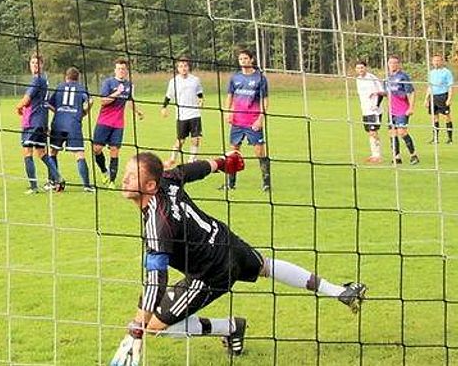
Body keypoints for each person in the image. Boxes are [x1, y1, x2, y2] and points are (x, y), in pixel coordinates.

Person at [108, 151, 367, 365]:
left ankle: (230, 327)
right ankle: (339, 291)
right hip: (226, 242)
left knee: (153, 326)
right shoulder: (168, 179)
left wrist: (137, 326)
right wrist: (222, 162)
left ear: (151, 185)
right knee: (265, 266)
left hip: (209, 273)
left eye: (133, 176)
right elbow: (193, 169)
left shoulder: (158, 224)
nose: (125, 179)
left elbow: (156, 280)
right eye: (127, 173)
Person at [223, 49, 271, 191]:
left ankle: (266, 183)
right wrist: (227, 112)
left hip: (253, 122)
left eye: (245, 58)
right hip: (237, 122)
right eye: (241, 59)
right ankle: (231, 184)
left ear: (251, 60)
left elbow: (265, 100)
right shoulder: (235, 78)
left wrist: (260, 118)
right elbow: (230, 96)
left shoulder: (260, 78)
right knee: (234, 152)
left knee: (260, 152)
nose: (243, 61)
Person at [93, 58, 143, 186]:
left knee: (114, 150)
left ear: (126, 71)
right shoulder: (108, 83)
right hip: (104, 121)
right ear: (115, 70)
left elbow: (130, 101)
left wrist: (138, 112)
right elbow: (103, 101)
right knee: (96, 149)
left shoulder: (129, 85)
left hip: (118, 124)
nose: (121, 71)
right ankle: (104, 171)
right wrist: (117, 93)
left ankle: (112, 181)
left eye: (123, 69)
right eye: (119, 68)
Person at [16, 53, 58, 194]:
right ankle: (58, 178)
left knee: (27, 151)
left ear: (42, 65)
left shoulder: (37, 80)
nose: (34, 65)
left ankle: (33, 186)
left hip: (33, 121)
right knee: (41, 152)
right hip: (41, 121)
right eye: (32, 62)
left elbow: (27, 99)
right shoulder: (44, 80)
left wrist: (18, 107)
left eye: (37, 63)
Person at [46, 67, 92, 192]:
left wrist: (59, 112)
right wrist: (84, 112)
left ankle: (53, 181)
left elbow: (49, 104)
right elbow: (90, 101)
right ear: (78, 78)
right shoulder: (81, 88)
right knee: (79, 154)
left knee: (52, 152)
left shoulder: (59, 87)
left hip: (58, 124)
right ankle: (87, 186)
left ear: (66, 77)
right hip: (73, 124)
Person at [161, 57, 204, 168]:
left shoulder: (195, 80)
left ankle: (192, 160)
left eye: (185, 66)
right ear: (177, 68)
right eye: (181, 66)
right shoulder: (173, 81)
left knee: (195, 138)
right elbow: (168, 96)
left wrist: (201, 100)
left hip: (194, 114)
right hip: (181, 115)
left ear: (189, 67)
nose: (183, 68)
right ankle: (172, 159)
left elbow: (199, 93)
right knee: (180, 140)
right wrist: (164, 107)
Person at [385, 55, 419, 165]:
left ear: (398, 64)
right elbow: (388, 93)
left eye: (395, 62)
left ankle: (413, 155)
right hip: (391, 110)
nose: (392, 65)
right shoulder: (387, 78)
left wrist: (411, 107)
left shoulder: (403, 77)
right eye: (390, 63)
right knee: (392, 133)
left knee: (402, 132)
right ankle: (397, 157)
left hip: (402, 109)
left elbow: (411, 92)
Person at [354, 60, 385, 163]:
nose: (360, 70)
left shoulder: (372, 78)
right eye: (358, 68)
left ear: (366, 68)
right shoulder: (358, 79)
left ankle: (378, 156)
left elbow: (381, 92)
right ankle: (374, 154)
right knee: (370, 132)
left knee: (373, 132)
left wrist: (376, 105)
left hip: (374, 111)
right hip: (365, 110)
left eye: (362, 67)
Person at [425, 53, 454, 144]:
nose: (436, 62)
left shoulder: (446, 72)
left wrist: (449, 98)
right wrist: (426, 99)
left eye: (438, 60)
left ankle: (450, 139)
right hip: (433, 97)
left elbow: (450, 86)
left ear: (442, 61)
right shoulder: (431, 73)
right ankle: (435, 139)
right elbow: (430, 87)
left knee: (447, 117)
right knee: (435, 117)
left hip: (443, 96)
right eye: (434, 61)